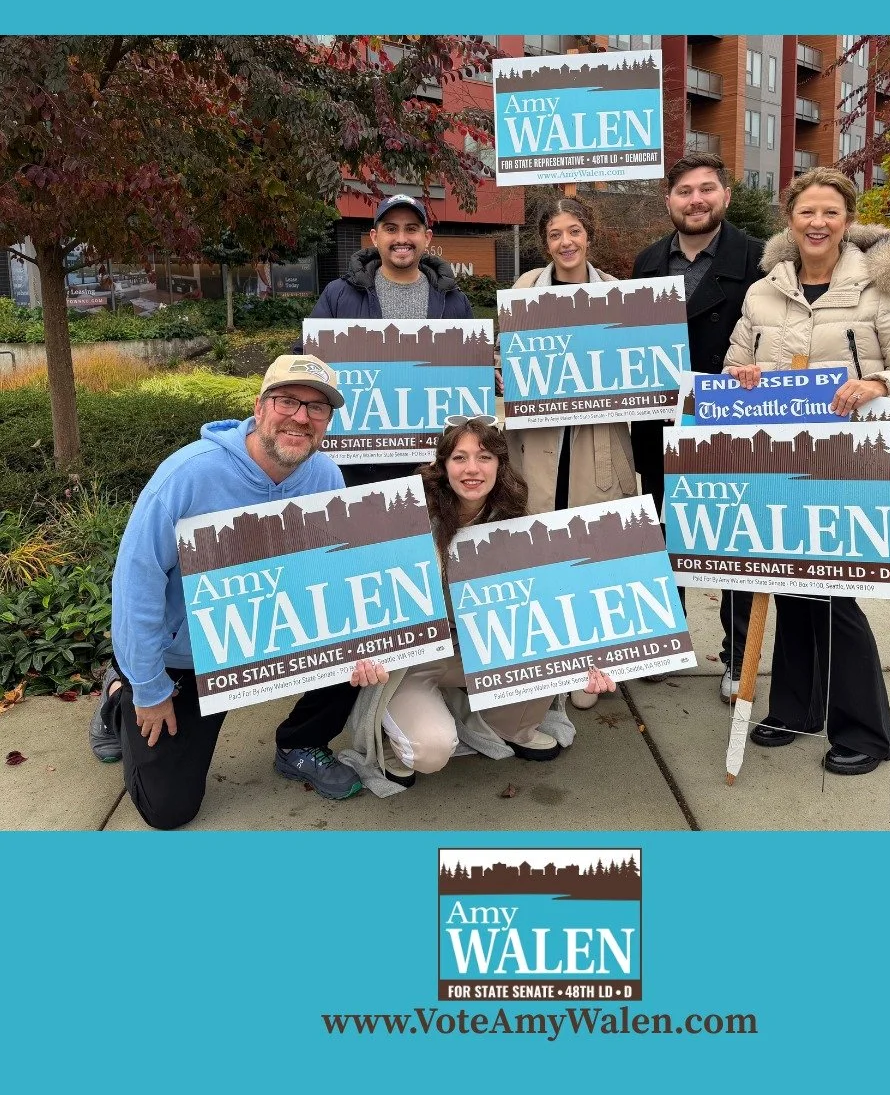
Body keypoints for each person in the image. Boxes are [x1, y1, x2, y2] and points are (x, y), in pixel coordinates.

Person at [88, 355, 368, 829]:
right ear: (259, 408)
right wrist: (150, 688)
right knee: (167, 808)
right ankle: (120, 692)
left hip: (269, 634)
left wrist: (360, 643)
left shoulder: (326, 477)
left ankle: (301, 741)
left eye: (317, 408)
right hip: (191, 658)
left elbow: (335, 573)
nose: (301, 417)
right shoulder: (188, 476)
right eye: (288, 402)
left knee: (365, 653)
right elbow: (137, 582)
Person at [724, 166, 890, 775]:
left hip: (850, 468)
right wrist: (739, 377)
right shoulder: (764, 291)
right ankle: (795, 709)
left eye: (831, 213)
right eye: (807, 212)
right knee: (789, 589)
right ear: (789, 219)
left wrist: (877, 382)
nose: (818, 223)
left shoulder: (880, 289)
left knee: (838, 597)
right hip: (778, 465)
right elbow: (736, 364)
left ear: (848, 221)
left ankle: (866, 730)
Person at [338, 419, 614, 796]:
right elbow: (365, 597)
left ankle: (497, 722)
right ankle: (394, 733)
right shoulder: (409, 519)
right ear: (442, 464)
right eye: (460, 457)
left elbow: (555, 609)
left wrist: (592, 658)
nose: (472, 468)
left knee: (547, 675)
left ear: (500, 465)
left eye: (484, 457)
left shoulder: (517, 521)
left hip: (484, 650)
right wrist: (364, 651)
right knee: (431, 751)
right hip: (418, 657)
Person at [631, 155, 765, 701]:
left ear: (726, 196)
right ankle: (666, 639)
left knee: (733, 539)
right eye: (684, 191)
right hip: (659, 423)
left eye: (706, 189)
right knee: (665, 533)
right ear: (669, 200)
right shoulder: (646, 262)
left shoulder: (758, 259)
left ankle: (737, 657)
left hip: (728, 423)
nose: (696, 200)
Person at [505, 196, 638, 710]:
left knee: (593, 550)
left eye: (574, 231)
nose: (566, 242)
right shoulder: (523, 292)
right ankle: (545, 657)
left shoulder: (618, 296)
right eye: (556, 234)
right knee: (539, 546)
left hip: (596, 439)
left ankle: (591, 660)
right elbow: (510, 359)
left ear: (589, 235)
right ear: (544, 243)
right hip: (538, 444)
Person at [301, 192, 474, 487]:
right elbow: (306, 364)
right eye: (391, 228)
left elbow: (470, 374)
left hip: (432, 468)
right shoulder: (338, 295)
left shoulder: (455, 302)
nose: (401, 238)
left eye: (411, 228)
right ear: (374, 236)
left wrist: (490, 374)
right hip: (356, 468)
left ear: (427, 237)